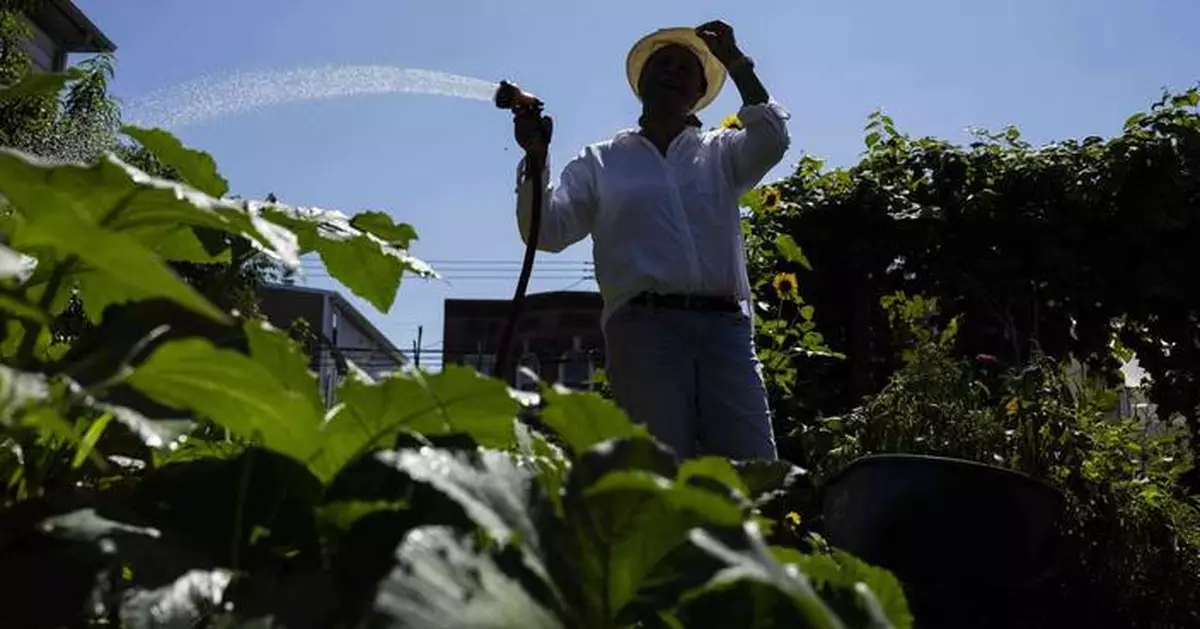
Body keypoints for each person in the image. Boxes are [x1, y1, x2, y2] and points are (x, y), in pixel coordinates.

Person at [511, 21, 790, 461]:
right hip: (643, 330)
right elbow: (546, 231)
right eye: (661, 64)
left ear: (700, 91)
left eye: (685, 67)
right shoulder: (601, 161)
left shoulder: (721, 152)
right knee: (659, 469)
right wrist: (536, 160)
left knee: (753, 466)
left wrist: (736, 62)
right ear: (640, 82)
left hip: (725, 329)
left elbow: (773, 138)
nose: (671, 71)